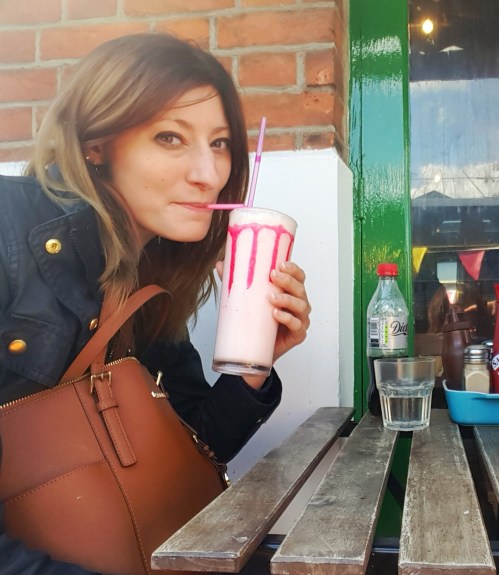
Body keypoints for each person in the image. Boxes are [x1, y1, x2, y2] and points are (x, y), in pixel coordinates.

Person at [0, 33, 311, 573]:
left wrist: (255, 366)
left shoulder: (150, 278)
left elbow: (194, 448)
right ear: (96, 144)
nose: (208, 174)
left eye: (220, 143)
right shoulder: (9, 224)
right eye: (170, 137)